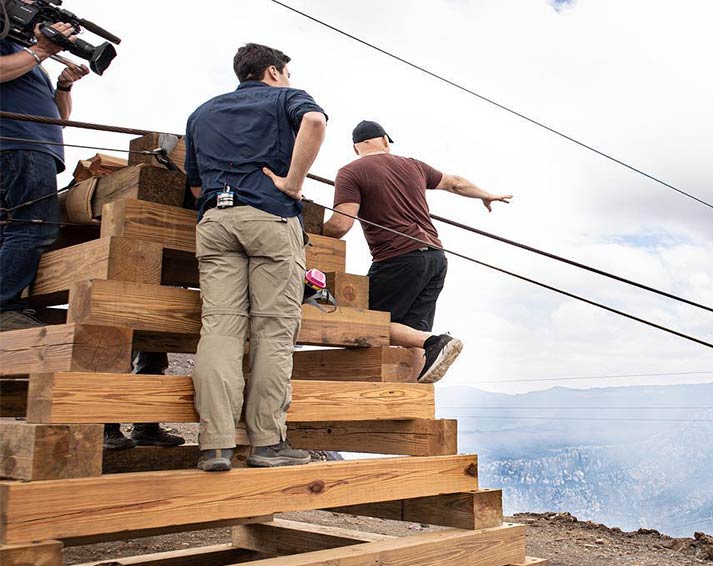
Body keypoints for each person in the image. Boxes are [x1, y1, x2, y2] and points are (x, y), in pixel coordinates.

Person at [184, 43, 327, 472]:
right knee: (274, 331)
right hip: (270, 218)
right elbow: (315, 121)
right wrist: (292, 182)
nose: (286, 77)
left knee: (220, 328)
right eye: (285, 72)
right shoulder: (286, 97)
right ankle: (266, 443)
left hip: (215, 221)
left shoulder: (202, 113)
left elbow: (194, 186)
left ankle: (215, 446)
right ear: (272, 71)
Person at [324, 121, 511, 383]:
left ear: (356, 148)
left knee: (366, 322)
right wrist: (485, 194)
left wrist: (307, 236)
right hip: (435, 257)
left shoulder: (350, 172)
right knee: (411, 333)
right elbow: (455, 183)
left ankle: (436, 341)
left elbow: (341, 223)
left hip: (397, 258)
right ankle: (414, 393)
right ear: (385, 141)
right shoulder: (414, 166)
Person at [0, 21, 88, 331]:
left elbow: (59, 119)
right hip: (18, 144)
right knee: (34, 227)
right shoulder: (15, 49)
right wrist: (40, 50)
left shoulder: (29, 62)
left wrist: (63, 86)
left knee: (10, 231)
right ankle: (4, 308)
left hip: (34, 147)